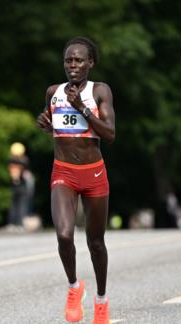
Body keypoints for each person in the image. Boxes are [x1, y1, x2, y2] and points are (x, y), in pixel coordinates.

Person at [37, 37, 115, 324]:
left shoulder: (100, 91)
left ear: (90, 63)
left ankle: (101, 301)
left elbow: (109, 133)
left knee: (96, 242)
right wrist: (44, 122)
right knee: (64, 235)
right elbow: (53, 121)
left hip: (94, 173)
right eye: (69, 60)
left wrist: (82, 107)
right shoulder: (53, 92)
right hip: (64, 172)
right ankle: (73, 287)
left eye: (79, 60)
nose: (73, 65)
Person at [7, 142, 29, 231]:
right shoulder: (24, 160)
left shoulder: (11, 160)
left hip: (15, 185)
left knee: (14, 205)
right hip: (22, 185)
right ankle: (19, 224)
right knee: (20, 206)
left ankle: (13, 224)